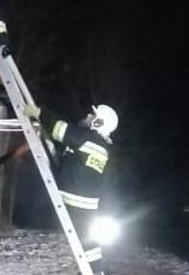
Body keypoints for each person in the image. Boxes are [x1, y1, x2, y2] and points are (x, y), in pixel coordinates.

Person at [24, 103, 119, 266]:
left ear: (98, 123)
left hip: (73, 194)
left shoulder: (87, 139)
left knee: (84, 233)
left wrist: (40, 112)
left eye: (92, 116)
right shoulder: (102, 147)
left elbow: (61, 129)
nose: (88, 117)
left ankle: (94, 268)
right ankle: (94, 268)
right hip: (87, 200)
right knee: (86, 235)